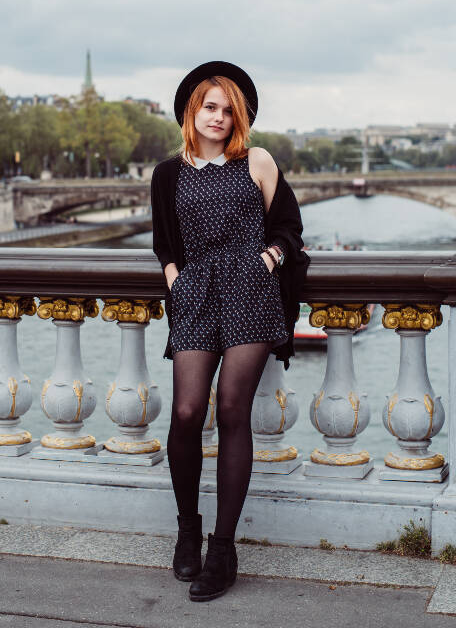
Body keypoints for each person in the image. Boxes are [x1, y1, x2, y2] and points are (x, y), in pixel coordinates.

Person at [151, 61, 309, 602]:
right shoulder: (168, 173)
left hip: (249, 290)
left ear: (239, 117)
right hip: (196, 295)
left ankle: (222, 549)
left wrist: (268, 258)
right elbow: (164, 243)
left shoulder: (257, 161)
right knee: (188, 411)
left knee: (233, 407)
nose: (218, 117)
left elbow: (290, 226)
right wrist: (176, 281)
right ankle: (187, 531)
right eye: (209, 107)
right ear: (191, 112)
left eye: (228, 109)